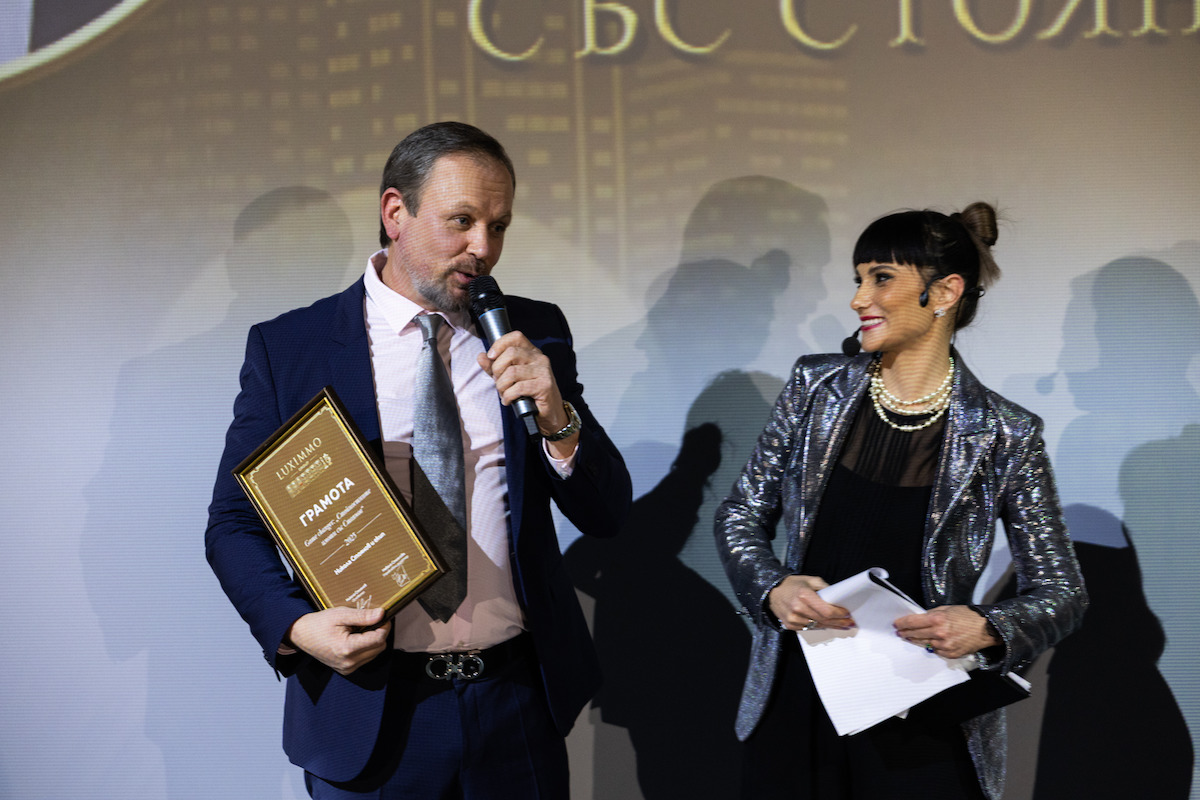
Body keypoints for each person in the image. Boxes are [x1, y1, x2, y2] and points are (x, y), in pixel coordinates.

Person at [205, 121, 632, 799]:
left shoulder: (533, 331)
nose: (483, 248)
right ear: (394, 212)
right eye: (461, 221)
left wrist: (558, 416)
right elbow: (233, 523)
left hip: (515, 702)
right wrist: (295, 626)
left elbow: (607, 512)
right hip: (372, 708)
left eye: (498, 226)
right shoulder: (292, 348)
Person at [715, 202, 1087, 800]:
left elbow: (1062, 591)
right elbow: (741, 514)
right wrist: (771, 587)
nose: (859, 299)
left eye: (880, 278)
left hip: (921, 720)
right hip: (797, 698)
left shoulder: (1005, 433)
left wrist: (988, 625)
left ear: (945, 292)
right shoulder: (815, 388)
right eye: (859, 279)